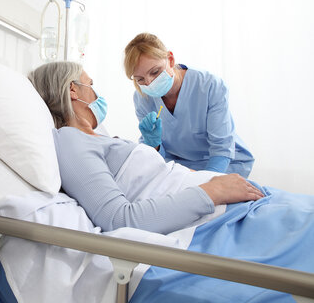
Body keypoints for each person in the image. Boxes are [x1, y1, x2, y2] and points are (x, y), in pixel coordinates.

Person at [28, 61, 264, 234]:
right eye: (90, 84)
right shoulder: (70, 141)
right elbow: (118, 219)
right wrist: (212, 191)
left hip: (219, 201)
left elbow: (152, 178)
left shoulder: (97, 137)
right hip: (209, 214)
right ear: (73, 89)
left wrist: (210, 180)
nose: (96, 92)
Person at [124, 33, 254, 178]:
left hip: (222, 165)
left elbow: (221, 150)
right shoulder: (142, 98)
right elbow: (157, 159)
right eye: (140, 79)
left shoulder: (208, 85)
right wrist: (154, 144)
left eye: (155, 72)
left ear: (171, 60)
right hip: (180, 168)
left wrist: (204, 182)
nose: (149, 83)